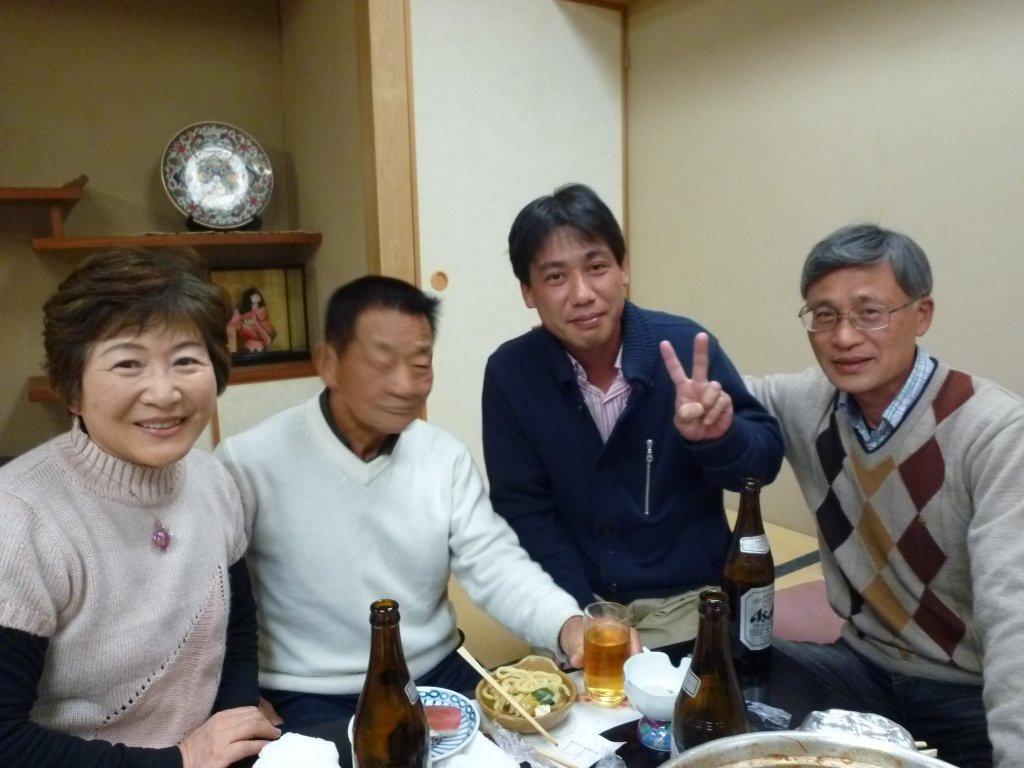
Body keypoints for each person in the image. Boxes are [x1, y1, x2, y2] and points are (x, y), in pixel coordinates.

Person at [214, 275, 601, 727]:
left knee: (537, 742)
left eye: (420, 366)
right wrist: (237, 696)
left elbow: (495, 564)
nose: (404, 385)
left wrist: (567, 623)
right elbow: (211, 605)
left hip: (434, 675)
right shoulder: (247, 462)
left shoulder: (443, 457)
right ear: (329, 363)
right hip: (308, 694)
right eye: (381, 363)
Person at [745, 224, 1024, 767]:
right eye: (824, 315)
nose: (844, 337)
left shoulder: (995, 432)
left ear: (922, 314)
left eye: (870, 313)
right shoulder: (808, 403)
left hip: (965, 689)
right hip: (860, 667)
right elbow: (719, 393)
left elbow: (1014, 613)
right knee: (724, 677)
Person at [0, 248, 280, 768]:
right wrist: (181, 760)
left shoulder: (213, 480)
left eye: (186, 361)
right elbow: (5, 742)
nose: (164, 392)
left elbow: (238, 626)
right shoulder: (19, 519)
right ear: (72, 389)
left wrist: (235, 724)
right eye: (128, 363)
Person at [482, 183, 784, 648]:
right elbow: (524, 511)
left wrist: (720, 437)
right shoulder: (511, 373)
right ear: (528, 291)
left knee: (702, 695)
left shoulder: (680, 347)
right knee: (559, 696)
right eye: (556, 277)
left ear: (623, 269)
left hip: (688, 601)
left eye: (597, 267)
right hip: (576, 602)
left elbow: (761, 465)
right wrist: (581, 618)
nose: (583, 294)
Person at [230, 287, 276, 353]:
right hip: (247, 349)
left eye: (259, 303)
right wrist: (232, 351)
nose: (257, 306)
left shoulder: (262, 315)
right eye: (253, 304)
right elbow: (231, 329)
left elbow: (268, 339)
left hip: (261, 348)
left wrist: (256, 322)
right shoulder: (239, 317)